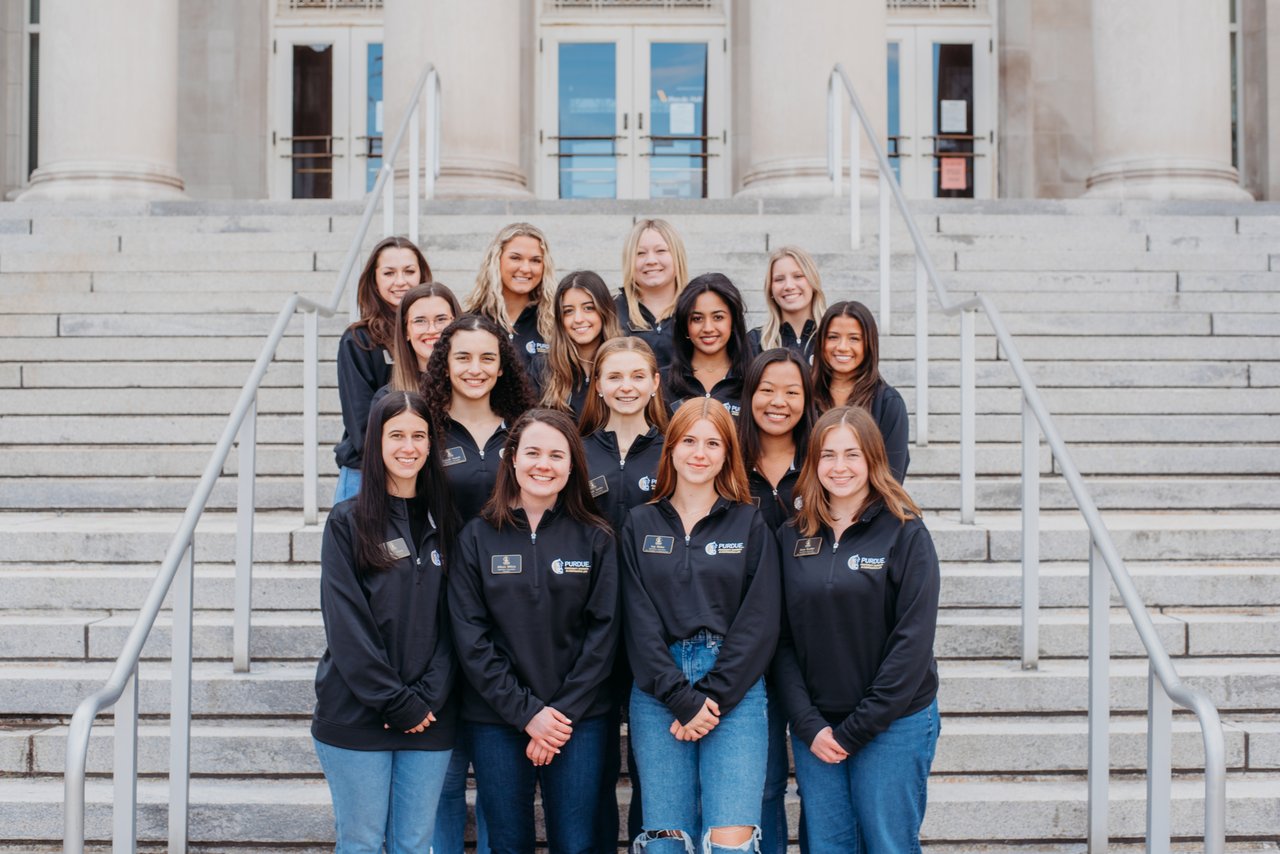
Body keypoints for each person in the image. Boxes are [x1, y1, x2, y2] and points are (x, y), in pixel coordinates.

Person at [449, 409, 619, 854]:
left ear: (572, 465)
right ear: (512, 458)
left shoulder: (596, 538)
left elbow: (604, 633)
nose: (543, 464)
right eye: (533, 452)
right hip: (496, 718)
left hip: (577, 719)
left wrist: (557, 714)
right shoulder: (476, 537)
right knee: (507, 843)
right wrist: (525, 713)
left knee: (577, 843)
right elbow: (472, 638)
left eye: (556, 455)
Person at [771, 406, 940, 854]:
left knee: (888, 845)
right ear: (813, 462)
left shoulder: (905, 534)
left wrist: (857, 730)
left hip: (894, 723)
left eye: (852, 454)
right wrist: (808, 724)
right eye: (828, 455)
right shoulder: (791, 536)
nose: (840, 467)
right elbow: (781, 639)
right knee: (828, 846)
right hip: (818, 728)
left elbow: (912, 642)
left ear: (873, 460)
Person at [621, 398, 781, 853]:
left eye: (713, 444)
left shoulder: (750, 522)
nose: (699, 453)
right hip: (658, 691)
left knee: (732, 840)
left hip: (734, 688)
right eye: (689, 441)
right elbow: (637, 619)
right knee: (666, 840)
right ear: (670, 448)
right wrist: (678, 696)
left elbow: (761, 620)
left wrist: (712, 696)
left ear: (728, 454)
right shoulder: (638, 523)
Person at [312, 391, 458, 853]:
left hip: (430, 714)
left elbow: (458, 622)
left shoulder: (448, 521)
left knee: (414, 843)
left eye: (419, 435)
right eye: (396, 435)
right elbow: (346, 624)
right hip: (357, 713)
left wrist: (426, 697)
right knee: (361, 842)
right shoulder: (347, 522)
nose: (408, 447)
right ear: (376, 442)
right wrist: (396, 702)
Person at [421, 314, 536, 854]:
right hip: (437, 618)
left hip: (509, 621)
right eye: (463, 356)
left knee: (501, 788)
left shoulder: (524, 428)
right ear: (444, 361)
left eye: (488, 357)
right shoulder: (424, 426)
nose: (475, 368)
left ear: (503, 363)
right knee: (442, 783)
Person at [578, 336, 670, 849]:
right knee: (593, 768)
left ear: (656, 382)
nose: (626, 386)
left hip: (653, 630)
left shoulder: (674, 451)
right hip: (589, 630)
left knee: (651, 768)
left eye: (638, 376)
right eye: (614, 376)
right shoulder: (578, 448)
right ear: (598, 385)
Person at [737, 348, 816, 854]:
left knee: (821, 784)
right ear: (748, 395)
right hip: (746, 646)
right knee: (761, 785)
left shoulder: (822, 464)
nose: (778, 402)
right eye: (767, 389)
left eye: (791, 391)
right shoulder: (728, 461)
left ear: (808, 400)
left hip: (813, 645)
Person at [334, 236, 430, 502]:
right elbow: (361, 424)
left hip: (420, 473)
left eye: (409, 271)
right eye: (389, 273)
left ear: (422, 275)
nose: (401, 281)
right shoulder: (358, 341)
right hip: (365, 475)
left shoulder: (434, 336)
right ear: (374, 280)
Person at [810, 301, 910, 481]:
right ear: (821, 342)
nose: (842, 346)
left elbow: (892, 477)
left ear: (869, 344)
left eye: (854, 338)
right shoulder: (805, 396)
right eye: (833, 337)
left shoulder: (888, 402)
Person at [663, 273, 756, 419]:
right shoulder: (662, 382)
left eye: (718, 317)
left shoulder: (754, 380)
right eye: (697, 318)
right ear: (685, 325)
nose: (708, 328)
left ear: (733, 322)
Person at [466, 222, 557, 368]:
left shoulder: (554, 324)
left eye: (535, 260)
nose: (526, 268)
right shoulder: (471, 322)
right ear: (497, 260)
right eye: (515, 258)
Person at [536, 271, 623, 416]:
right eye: (568, 311)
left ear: (604, 311)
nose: (578, 319)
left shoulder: (627, 362)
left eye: (588, 308)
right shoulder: (543, 368)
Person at [615, 219, 690, 370]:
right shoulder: (612, 311)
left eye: (661, 251)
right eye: (640, 253)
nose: (651, 260)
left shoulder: (696, 308)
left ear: (677, 256)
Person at [747, 246, 828, 362]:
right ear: (770, 290)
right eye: (779, 279)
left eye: (798, 276)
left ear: (812, 282)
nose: (789, 286)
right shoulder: (754, 341)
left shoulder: (832, 337)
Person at [386, 282, 461, 394]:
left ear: (456, 323)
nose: (432, 330)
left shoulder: (476, 387)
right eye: (420, 321)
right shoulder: (387, 398)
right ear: (406, 330)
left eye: (441, 319)